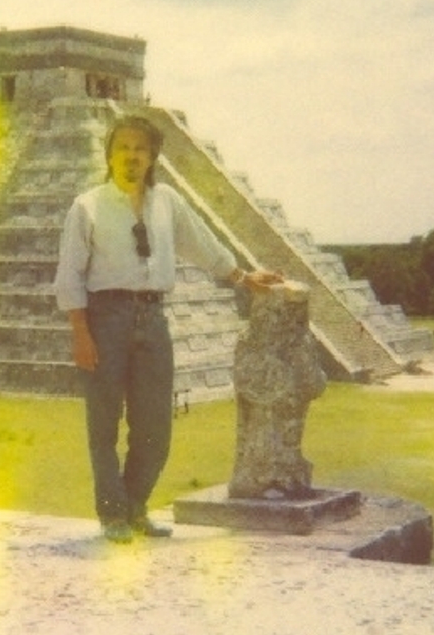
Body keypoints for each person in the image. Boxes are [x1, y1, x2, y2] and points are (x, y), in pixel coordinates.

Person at [54, 114, 284, 542]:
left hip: (153, 318)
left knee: (155, 429)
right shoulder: (87, 206)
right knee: (103, 427)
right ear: (109, 154)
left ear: (153, 156)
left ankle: (136, 507)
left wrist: (242, 277)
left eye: (140, 149)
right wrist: (80, 333)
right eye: (122, 147)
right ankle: (113, 516)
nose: (131, 156)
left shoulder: (168, 203)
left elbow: (203, 245)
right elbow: (70, 274)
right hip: (106, 318)